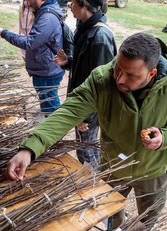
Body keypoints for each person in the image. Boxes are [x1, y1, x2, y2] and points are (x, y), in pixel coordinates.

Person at [5, 32, 167, 228]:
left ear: (152, 73)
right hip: (113, 166)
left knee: (149, 216)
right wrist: (30, 148)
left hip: (153, 170)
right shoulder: (102, 79)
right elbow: (69, 111)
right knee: (110, 213)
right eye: (118, 68)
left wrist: (165, 137)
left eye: (131, 75)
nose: (120, 79)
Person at [54, 0, 116, 170]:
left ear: (84, 5)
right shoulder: (85, 29)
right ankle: (94, 179)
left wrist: (86, 117)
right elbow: (87, 69)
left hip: (88, 110)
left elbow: (102, 84)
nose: (69, 5)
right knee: (85, 148)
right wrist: (68, 62)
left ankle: (95, 185)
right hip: (82, 105)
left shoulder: (100, 37)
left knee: (86, 151)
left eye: (73, 1)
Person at [0, 0, 69, 114]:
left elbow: (30, 43)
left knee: (51, 108)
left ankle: (56, 130)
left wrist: (4, 33)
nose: (26, 1)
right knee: (48, 104)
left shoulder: (47, 18)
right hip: (45, 68)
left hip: (47, 71)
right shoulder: (44, 12)